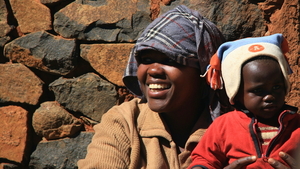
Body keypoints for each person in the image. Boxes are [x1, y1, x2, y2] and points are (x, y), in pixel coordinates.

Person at [188, 34, 300, 169]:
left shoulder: (296, 125)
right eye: (258, 91)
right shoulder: (223, 126)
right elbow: (204, 159)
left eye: (276, 87)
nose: (269, 97)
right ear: (237, 92)